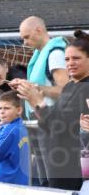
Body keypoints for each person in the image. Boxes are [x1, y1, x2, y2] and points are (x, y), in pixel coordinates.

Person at [14, 31, 89, 191]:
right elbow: (50, 123)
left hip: (74, 170)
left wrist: (37, 101)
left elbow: (60, 126)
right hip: (58, 166)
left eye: (76, 58)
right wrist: (33, 99)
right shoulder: (70, 86)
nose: (70, 63)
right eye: (67, 59)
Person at [18, 16, 69, 185]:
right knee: (44, 180)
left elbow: (66, 90)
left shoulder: (55, 53)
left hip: (52, 123)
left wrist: (35, 89)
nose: (24, 43)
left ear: (39, 30)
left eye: (26, 37)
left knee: (53, 180)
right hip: (40, 122)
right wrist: (25, 87)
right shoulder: (39, 54)